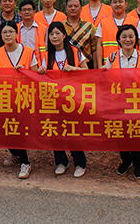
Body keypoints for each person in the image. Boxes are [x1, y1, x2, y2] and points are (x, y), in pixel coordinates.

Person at [40, 21, 88, 177]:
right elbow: (42, 77)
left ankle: (80, 163)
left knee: (72, 131)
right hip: (53, 100)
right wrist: (41, 71)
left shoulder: (75, 52)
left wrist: (75, 69)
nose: (54, 37)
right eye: (51, 34)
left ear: (64, 35)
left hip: (72, 100)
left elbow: (87, 72)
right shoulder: (47, 55)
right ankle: (61, 162)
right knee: (55, 131)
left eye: (57, 33)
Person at [103, 24, 140, 179]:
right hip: (117, 103)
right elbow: (104, 77)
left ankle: (137, 164)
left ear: (136, 39)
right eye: (124, 37)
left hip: (137, 103)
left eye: (131, 36)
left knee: (135, 133)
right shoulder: (112, 58)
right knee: (120, 134)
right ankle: (125, 160)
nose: (127, 40)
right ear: (118, 39)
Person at [0, 21, 38, 179]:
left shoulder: (28, 51)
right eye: (4, 32)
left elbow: (35, 75)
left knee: (18, 130)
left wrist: (25, 72)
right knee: (3, 129)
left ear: (17, 33)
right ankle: (15, 153)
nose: (8, 35)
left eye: (11, 31)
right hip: (4, 96)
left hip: (23, 96)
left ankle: (25, 163)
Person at [94, 0, 140, 68]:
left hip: (132, 65)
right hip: (110, 66)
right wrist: (99, 66)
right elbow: (99, 45)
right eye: (115, 2)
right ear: (111, 5)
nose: (118, 4)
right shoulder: (103, 23)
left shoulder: (135, 22)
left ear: (126, 4)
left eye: (120, 2)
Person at [62, 0, 97, 69]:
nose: (73, 8)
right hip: (65, 65)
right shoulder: (61, 27)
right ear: (66, 9)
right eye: (70, 6)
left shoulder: (89, 27)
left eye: (76, 6)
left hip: (86, 66)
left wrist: (96, 69)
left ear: (81, 8)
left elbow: (94, 49)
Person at [17, 0, 47, 64]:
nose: (27, 12)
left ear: (34, 12)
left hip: (39, 65)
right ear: (20, 13)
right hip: (21, 64)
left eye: (29, 9)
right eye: (24, 10)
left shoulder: (44, 28)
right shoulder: (16, 29)